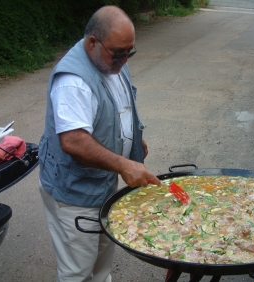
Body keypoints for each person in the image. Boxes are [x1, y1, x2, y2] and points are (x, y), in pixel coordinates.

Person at [38, 5, 161, 282]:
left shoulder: (111, 58)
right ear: (92, 42)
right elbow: (74, 142)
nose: (125, 61)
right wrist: (123, 164)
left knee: (102, 265)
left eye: (130, 53)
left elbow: (117, 108)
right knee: (78, 271)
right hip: (75, 192)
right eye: (119, 54)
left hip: (102, 183)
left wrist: (131, 138)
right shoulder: (72, 81)